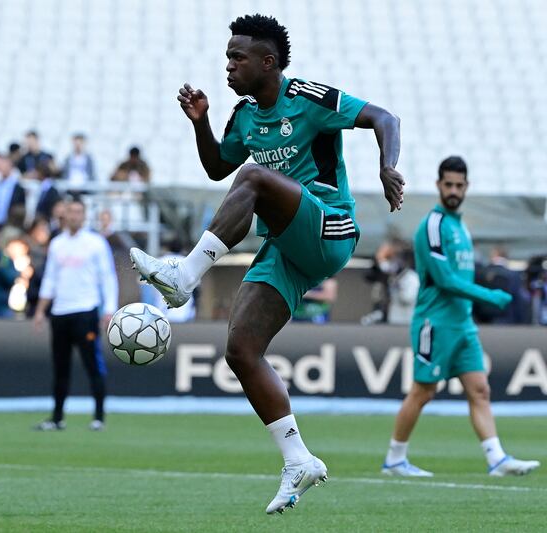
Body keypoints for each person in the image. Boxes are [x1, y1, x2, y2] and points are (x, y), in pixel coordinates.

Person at [130, 14, 405, 514]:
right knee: (240, 349)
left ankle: (183, 277)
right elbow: (218, 168)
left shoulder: (307, 97)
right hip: (286, 246)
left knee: (255, 178)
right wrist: (202, 124)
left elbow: (385, 119)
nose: (228, 65)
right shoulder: (243, 115)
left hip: (328, 227)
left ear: (268, 62)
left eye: (237, 57)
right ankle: (298, 459)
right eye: (227, 56)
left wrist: (386, 166)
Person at [381, 156, 539, 477]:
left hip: (462, 324)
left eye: (459, 185)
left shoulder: (461, 226)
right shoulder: (434, 225)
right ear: (439, 185)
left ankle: (497, 459)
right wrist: (489, 295)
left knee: (479, 388)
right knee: (423, 391)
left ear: (466, 187)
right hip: (434, 323)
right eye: (448, 184)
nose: (454, 190)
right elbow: (445, 280)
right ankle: (395, 459)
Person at [33, 198, 117, 431]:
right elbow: (50, 279)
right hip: (60, 312)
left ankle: (99, 417)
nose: (75, 216)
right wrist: (41, 310)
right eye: (71, 212)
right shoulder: (57, 244)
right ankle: (57, 417)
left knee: (93, 365)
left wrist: (109, 308)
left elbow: (107, 277)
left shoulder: (96, 243)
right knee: (60, 368)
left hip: (85, 311)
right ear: (64, 215)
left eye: (79, 212)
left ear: (85, 215)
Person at [0, 152, 26, 228]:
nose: (2, 167)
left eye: (4, 164)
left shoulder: (18, 188)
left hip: (12, 225)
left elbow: (21, 208)